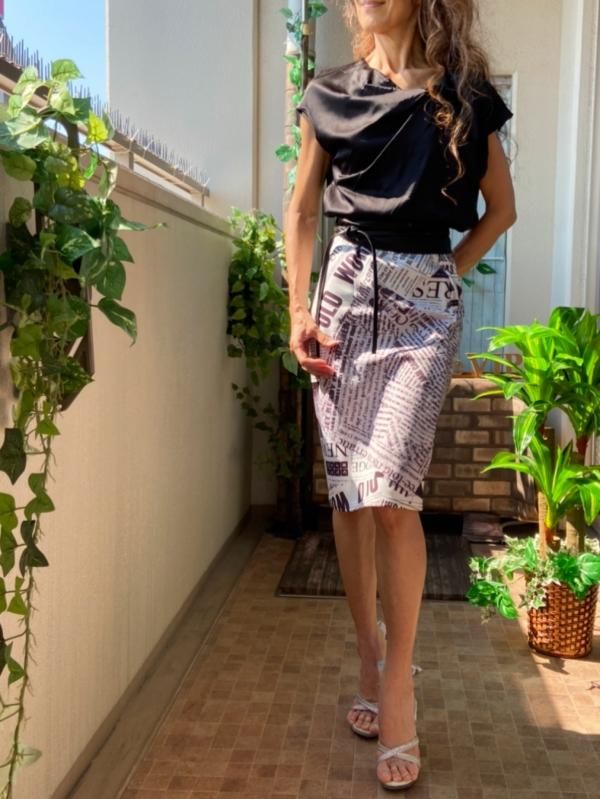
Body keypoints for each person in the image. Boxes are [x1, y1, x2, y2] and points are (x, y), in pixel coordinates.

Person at [284, 0, 516, 791]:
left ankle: (398, 683)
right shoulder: (329, 93)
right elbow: (302, 208)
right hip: (343, 304)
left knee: (392, 495)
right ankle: (370, 655)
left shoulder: (466, 96)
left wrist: (443, 277)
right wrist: (298, 310)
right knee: (351, 495)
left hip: (423, 312)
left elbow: (501, 210)